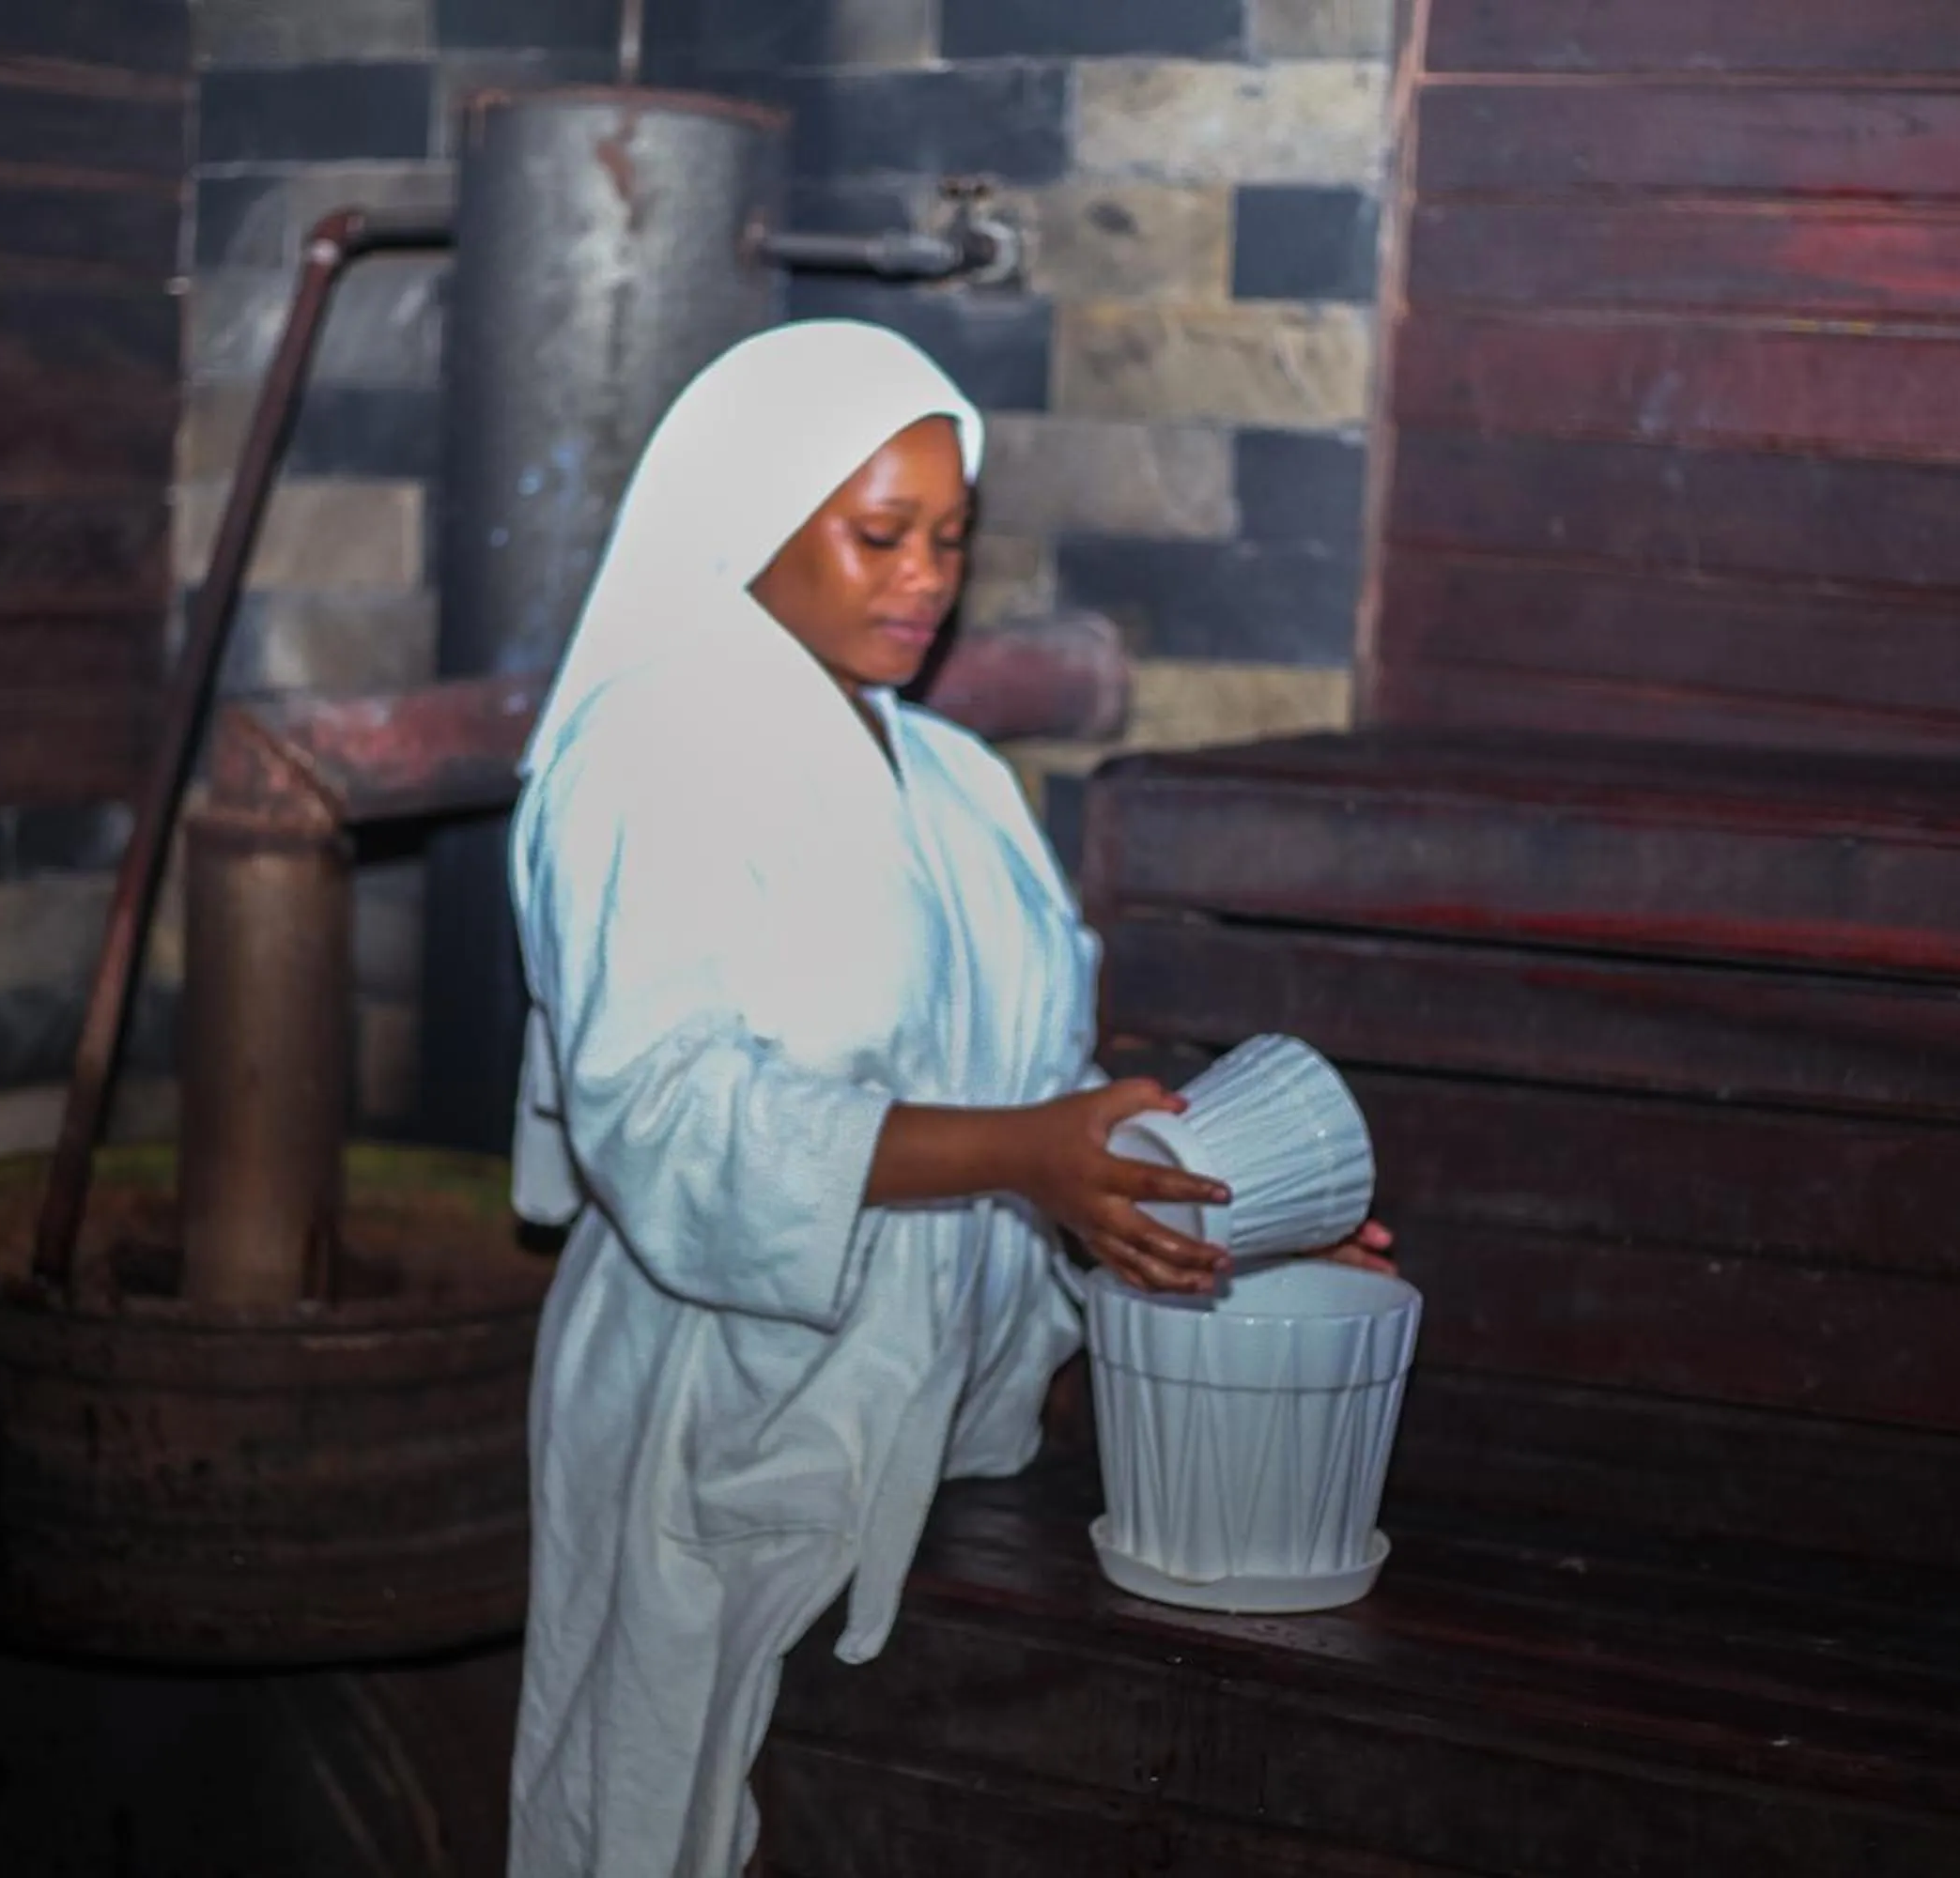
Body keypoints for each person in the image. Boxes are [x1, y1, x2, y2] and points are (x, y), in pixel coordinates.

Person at [502, 318, 1395, 1878]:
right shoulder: (649, 753)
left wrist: (1191, 1208)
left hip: (950, 1413)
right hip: (723, 1407)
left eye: (951, 540)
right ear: (753, 523)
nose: (924, 577)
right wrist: (1022, 1156)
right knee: (655, 1813)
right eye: (878, 534)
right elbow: (668, 1115)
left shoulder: (962, 787)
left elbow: (1033, 1094)